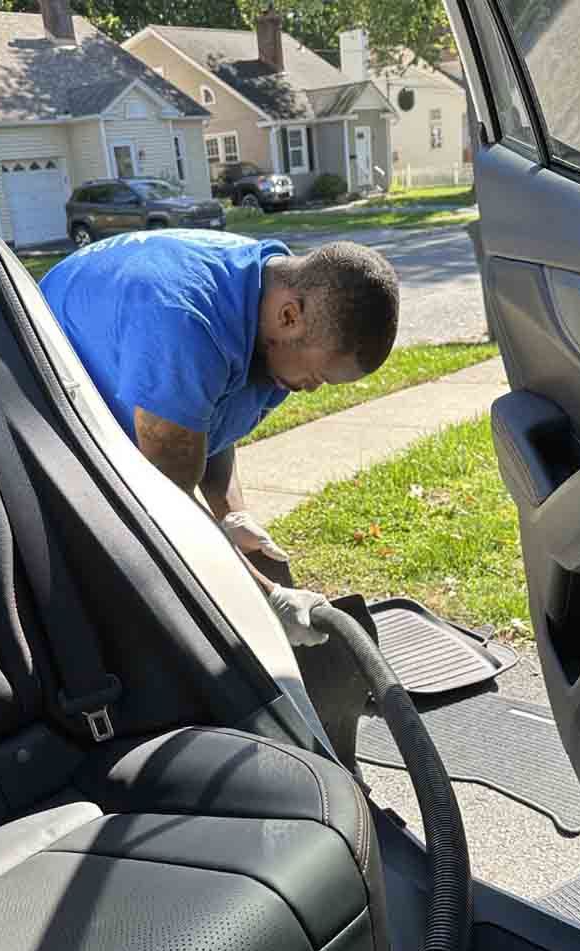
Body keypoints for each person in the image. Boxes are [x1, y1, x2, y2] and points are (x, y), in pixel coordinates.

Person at [40, 229, 400, 645]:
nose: (314, 388)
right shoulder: (188, 323)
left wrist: (233, 515)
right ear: (289, 316)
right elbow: (166, 505)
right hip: (34, 404)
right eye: (318, 375)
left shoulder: (268, 299)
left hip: (143, 374)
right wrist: (269, 598)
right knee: (126, 586)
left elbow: (208, 424)